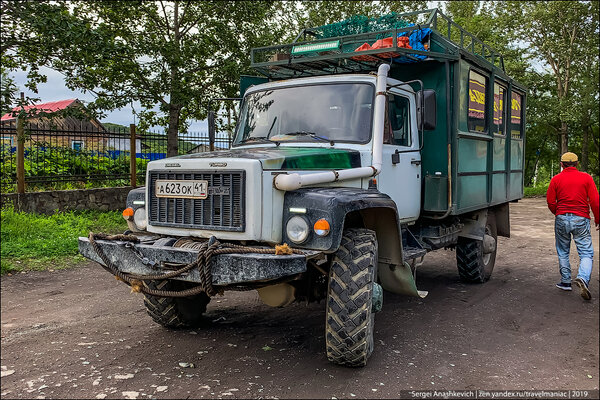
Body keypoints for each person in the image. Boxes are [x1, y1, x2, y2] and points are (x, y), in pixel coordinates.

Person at [546, 152, 599, 300]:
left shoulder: (556, 179)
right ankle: (583, 278)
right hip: (581, 218)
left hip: (562, 217)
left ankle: (565, 282)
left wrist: (558, 213)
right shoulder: (586, 178)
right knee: (586, 253)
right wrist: (598, 219)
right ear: (577, 164)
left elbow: (550, 201)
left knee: (563, 250)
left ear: (561, 164)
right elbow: (595, 200)